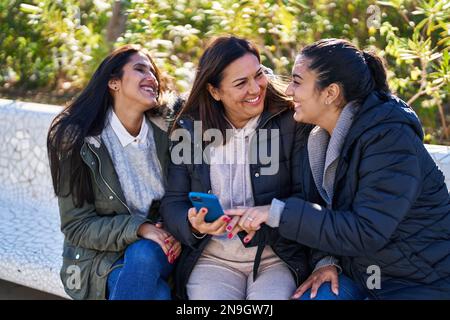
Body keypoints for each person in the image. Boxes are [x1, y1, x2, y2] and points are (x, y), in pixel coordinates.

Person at [226, 38, 450, 300]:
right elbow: (322, 212)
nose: (288, 90)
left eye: (297, 82)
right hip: (359, 272)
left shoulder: (390, 140)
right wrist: (325, 260)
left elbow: (367, 230)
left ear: (330, 93)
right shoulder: (317, 135)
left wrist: (277, 213)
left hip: (418, 280)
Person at [160, 36, 339, 300]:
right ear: (214, 91)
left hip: (276, 257)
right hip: (213, 259)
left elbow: (310, 199)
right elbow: (173, 202)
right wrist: (193, 224)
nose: (255, 88)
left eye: (258, 75)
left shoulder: (291, 122)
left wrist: (323, 259)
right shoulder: (189, 129)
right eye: (241, 83)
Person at [47, 44, 182, 300]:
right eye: (140, 69)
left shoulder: (170, 130)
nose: (151, 78)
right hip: (101, 259)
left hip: (163, 246)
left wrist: (170, 227)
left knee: (143, 254)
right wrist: (140, 228)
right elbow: (77, 226)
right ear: (114, 82)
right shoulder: (80, 141)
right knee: (159, 295)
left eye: (153, 72)